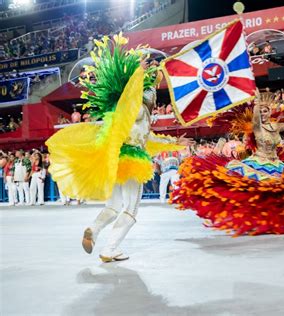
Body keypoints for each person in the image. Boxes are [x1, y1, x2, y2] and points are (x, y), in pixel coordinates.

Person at [46, 34, 194, 263]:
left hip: (116, 158)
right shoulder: (133, 109)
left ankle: (93, 230)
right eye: (151, 90)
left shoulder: (134, 115)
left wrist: (176, 143)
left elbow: (149, 140)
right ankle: (110, 249)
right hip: (130, 161)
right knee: (131, 209)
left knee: (114, 205)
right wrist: (138, 73)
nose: (154, 93)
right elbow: (130, 100)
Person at [172, 92, 284, 236]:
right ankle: (256, 219)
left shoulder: (275, 126)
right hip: (258, 162)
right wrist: (257, 99)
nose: (263, 112)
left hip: (276, 162)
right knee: (257, 186)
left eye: (265, 110)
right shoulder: (257, 127)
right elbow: (254, 118)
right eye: (260, 110)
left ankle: (280, 218)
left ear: (270, 112)